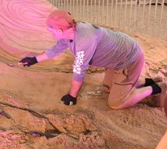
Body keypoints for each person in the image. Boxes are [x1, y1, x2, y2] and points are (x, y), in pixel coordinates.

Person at [19, 10, 166, 109]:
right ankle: (149, 81)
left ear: (59, 30)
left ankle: (157, 88)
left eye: (49, 29)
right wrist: (34, 60)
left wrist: (72, 95)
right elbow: (55, 50)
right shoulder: (71, 31)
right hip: (116, 60)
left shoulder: (84, 39)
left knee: (116, 103)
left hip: (129, 60)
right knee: (108, 88)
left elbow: (79, 70)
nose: (48, 31)